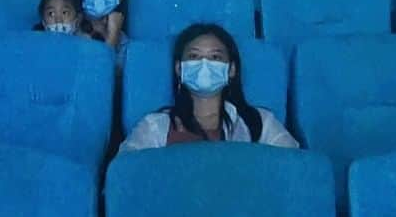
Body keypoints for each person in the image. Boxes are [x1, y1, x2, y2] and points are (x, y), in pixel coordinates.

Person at [119, 23, 298, 151]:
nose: (204, 64)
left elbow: (296, 170)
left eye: (215, 57)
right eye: (194, 56)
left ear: (232, 70)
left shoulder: (260, 123)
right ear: (179, 69)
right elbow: (124, 176)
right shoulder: (155, 126)